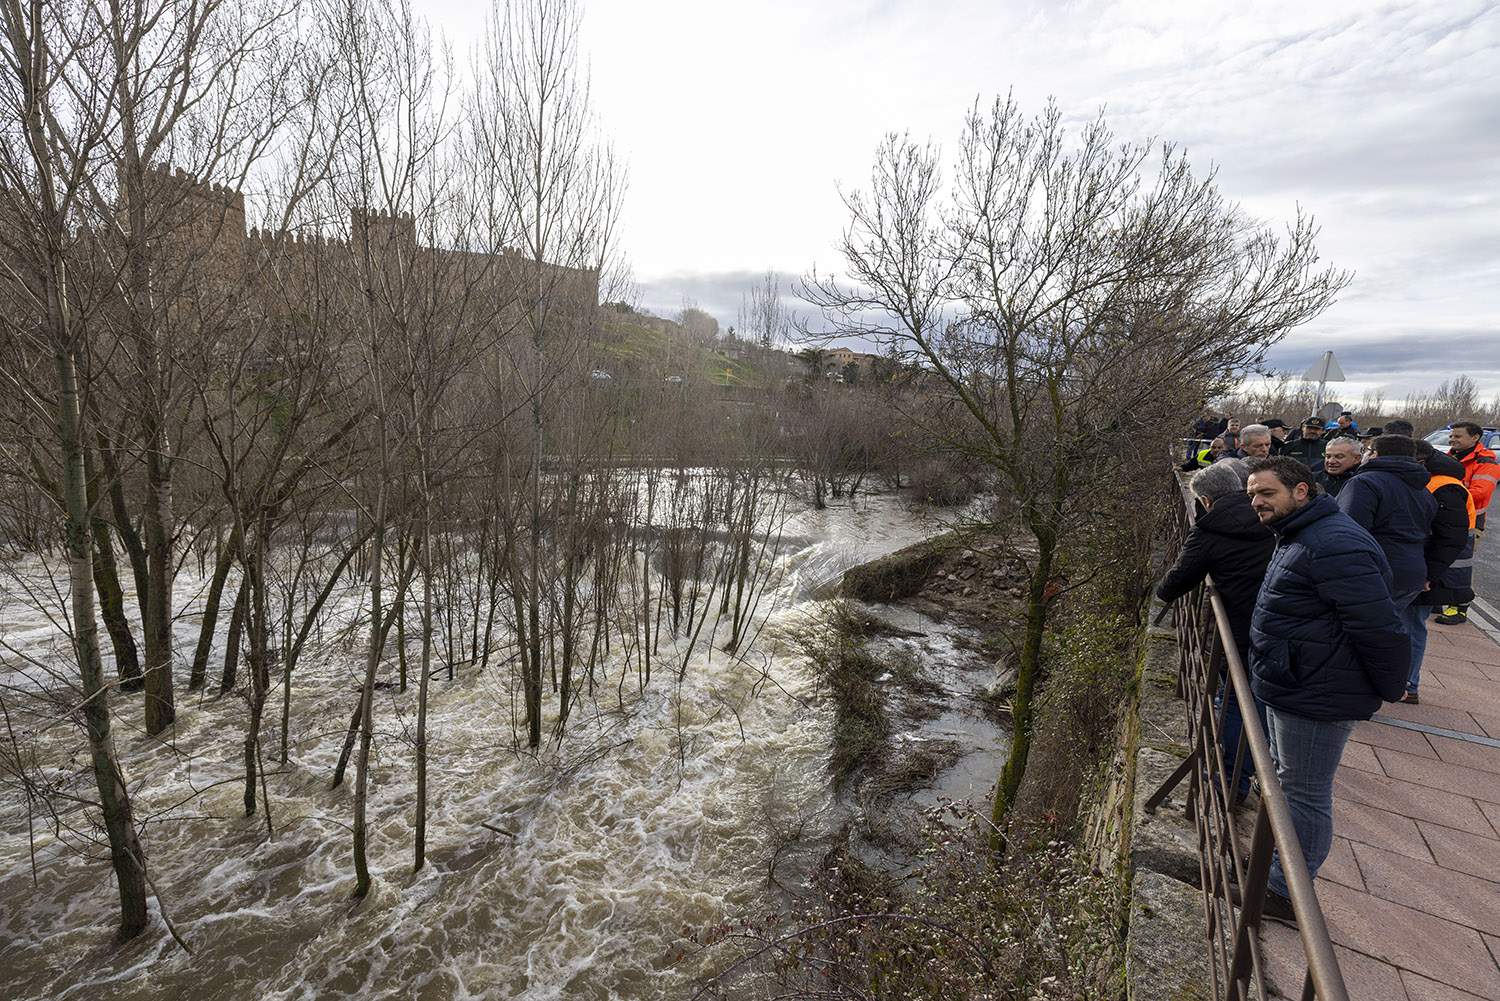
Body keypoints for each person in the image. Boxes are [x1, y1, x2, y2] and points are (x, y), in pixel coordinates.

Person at [1244, 457, 1408, 924]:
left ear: (1301, 490)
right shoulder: (1302, 533)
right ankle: (1270, 869)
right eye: (1252, 494)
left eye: (1267, 493)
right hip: (1294, 681)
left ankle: (1283, 894)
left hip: (1317, 691)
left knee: (1305, 793)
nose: (1257, 502)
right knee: (1286, 782)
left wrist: (1387, 687)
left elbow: (1379, 627)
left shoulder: (1333, 543)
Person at [1156, 460, 1276, 798]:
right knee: (1261, 698)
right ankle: (1252, 770)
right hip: (1280, 621)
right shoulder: (1271, 514)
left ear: (1206, 500)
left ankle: (1229, 782)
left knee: (1236, 700)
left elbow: (1172, 585)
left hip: (1241, 625)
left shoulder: (1211, 528)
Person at [1337, 435, 1438, 708]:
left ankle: (1352, 692)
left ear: (1376, 453)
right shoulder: (1423, 490)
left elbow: (1347, 531)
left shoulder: (1365, 483)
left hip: (1375, 572)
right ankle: (1392, 685)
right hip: (1411, 572)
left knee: (1354, 635)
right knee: (1387, 632)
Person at [1438, 420, 1499, 624]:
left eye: (1458, 436)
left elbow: (1481, 492)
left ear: (1474, 438)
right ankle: (1438, 599)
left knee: (1461, 565)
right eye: (1452, 436)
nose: (1452, 439)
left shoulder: (1486, 461)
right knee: (1440, 558)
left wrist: (1446, 496)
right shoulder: (1451, 457)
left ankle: (1459, 607)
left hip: (1470, 521)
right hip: (1445, 516)